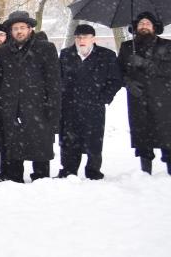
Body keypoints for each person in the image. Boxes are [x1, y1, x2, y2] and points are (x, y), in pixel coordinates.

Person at [0, 10, 61, 182]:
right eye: (15, 28)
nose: (19, 31)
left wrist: (52, 106)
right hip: (12, 109)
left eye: (23, 27)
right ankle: (15, 179)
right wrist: (2, 104)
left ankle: (40, 179)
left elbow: (53, 80)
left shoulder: (45, 48)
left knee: (39, 148)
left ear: (30, 29)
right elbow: (0, 80)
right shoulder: (3, 51)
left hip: (38, 108)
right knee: (15, 148)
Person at [58, 24, 121, 179]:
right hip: (70, 106)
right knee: (69, 140)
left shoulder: (106, 55)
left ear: (93, 38)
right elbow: (58, 79)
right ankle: (68, 170)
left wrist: (104, 97)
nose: (81, 40)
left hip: (94, 106)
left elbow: (115, 80)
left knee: (94, 140)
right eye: (78, 37)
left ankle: (93, 171)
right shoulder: (66, 55)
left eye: (85, 37)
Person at [117, 12, 171, 174]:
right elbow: (118, 71)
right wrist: (128, 83)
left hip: (164, 98)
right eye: (141, 24)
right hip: (138, 98)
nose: (144, 26)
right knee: (143, 134)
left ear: (154, 27)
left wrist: (144, 63)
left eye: (147, 23)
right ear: (135, 28)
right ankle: (145, 172)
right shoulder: (127, 47)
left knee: (166, 136)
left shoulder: (167, 45)